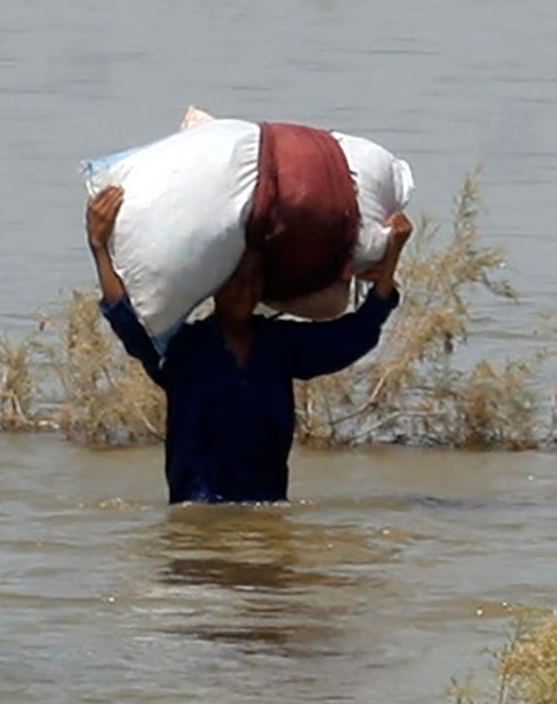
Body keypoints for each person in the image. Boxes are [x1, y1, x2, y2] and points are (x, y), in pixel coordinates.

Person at [82, 174, 410, 507]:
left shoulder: (280, 347)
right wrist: (99, 246)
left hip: (266, 510)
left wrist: (392, 254)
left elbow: (356, 334)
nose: (246, 289)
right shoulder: (184, 350)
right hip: (196, 516)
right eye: (235, 279)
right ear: (213, 283)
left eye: (254, 279)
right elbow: (127, 321)